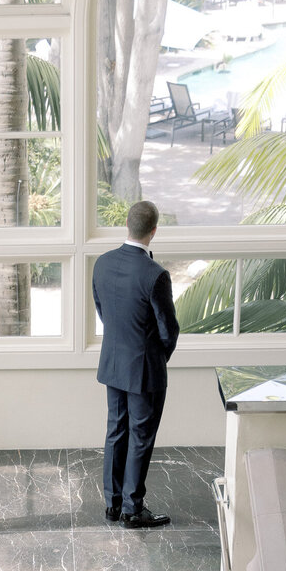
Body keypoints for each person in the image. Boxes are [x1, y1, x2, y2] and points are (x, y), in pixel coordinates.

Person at [92, 198, 179, 528]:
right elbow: (168, 328)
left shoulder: (102, 263)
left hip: (113, 363)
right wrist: (158, 356)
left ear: (127, 225)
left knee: (116, 430)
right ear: (154, 231)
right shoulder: (155, 275)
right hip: (144, 370)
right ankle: (133, 508)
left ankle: (112, 504)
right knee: (140, 436)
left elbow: (103, 311)